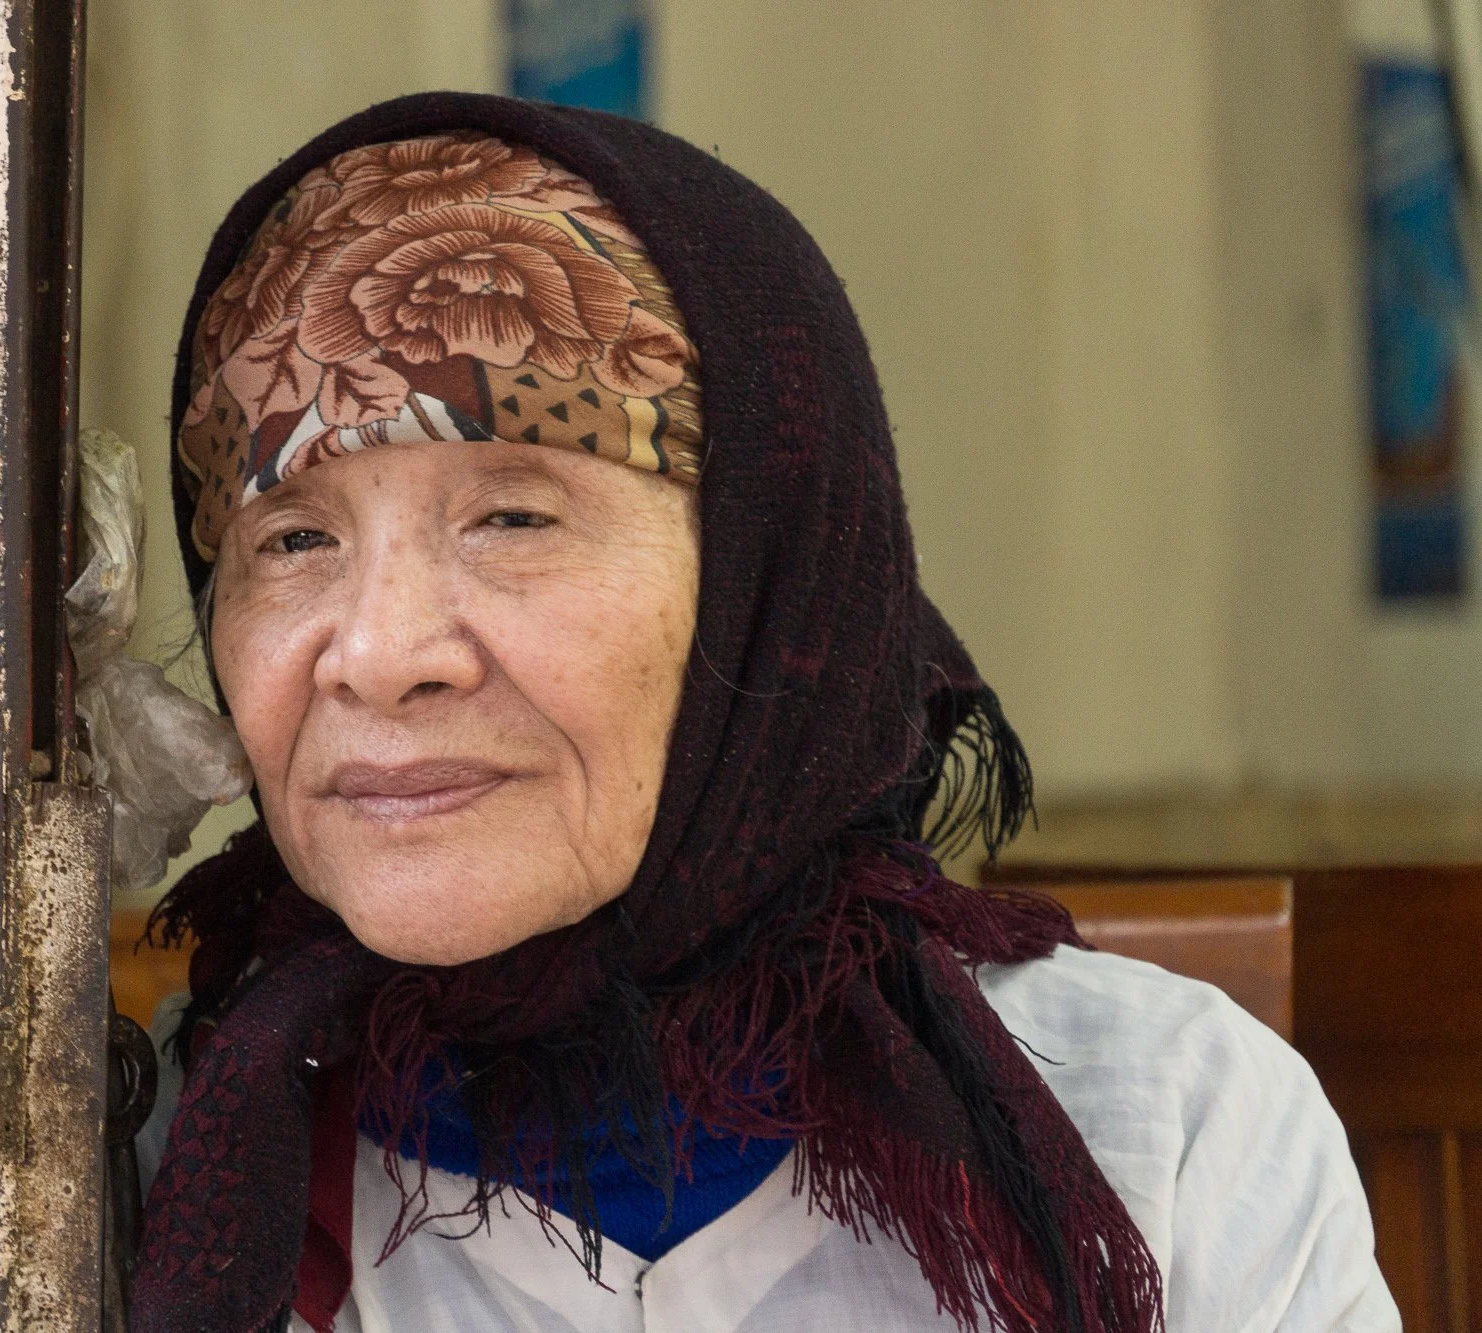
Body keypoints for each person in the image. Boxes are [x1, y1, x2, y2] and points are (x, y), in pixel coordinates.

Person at [128, 92, 1396, 1333]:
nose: (380, 652)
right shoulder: (108, 1178)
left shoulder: (1169, 1133)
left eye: (512, 516)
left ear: (767, 581)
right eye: (291, 537)